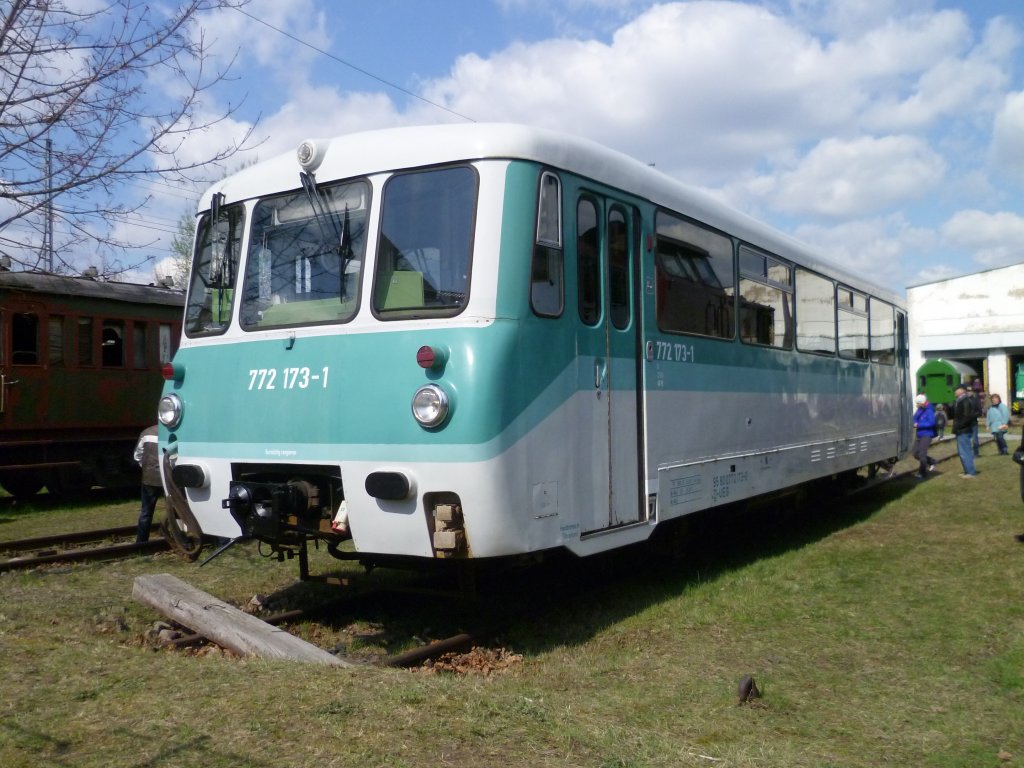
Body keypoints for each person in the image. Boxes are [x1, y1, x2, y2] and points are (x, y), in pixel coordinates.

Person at [134, 424, 162, 543]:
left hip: (149, 478)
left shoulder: (146, 432)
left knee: (146, 512)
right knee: (177, 510)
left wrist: (146, 468)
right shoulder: (176, 433)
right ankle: (182, 540)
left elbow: (137, 455)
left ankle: (141, 541)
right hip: (169, 479)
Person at [952, 385, 978, 478]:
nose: (954, 391)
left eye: (956, 389)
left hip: (963, 430)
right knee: (962, 451)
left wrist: (959, 426)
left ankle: (970, 472)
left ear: (961, 390)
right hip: (961, 429)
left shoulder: (965, 401)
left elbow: (967, 416)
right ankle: (967, 470)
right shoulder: (960, 400)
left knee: (965, 451)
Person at [911, 394, 937, 478]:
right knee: (915, 453)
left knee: (922, 453)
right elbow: (914, 418)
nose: (916, 405)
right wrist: (913, 422)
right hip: (919, 434)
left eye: (918, 403)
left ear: (922, 403)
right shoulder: (920, 409)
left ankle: (922, 473)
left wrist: (918, 425)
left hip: (927, 434)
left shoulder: (929, 411)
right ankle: (932, 461)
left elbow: (931, 423)